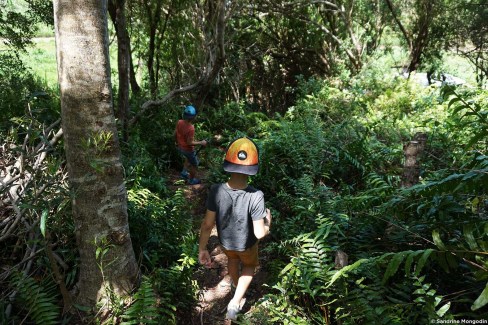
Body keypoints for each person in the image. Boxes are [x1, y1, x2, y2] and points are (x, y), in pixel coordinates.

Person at [198, 137, 272, 320]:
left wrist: (202, 248)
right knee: (248, 265)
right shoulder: (256, 196)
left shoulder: (216, 190)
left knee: (232, 260)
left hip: (226, 243)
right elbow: (259, 233)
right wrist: (268, 223)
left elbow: (207, 224)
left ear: (228, 163)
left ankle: (236, 287)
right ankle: (235, 302)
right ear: (252, 168)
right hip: (247, 245)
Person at [174, 105, 207, 185]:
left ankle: (184, 173)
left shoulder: (179, 122)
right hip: (187, 149)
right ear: (193, 117)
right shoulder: (191, 128)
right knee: (195, 165)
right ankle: (191, 180)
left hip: (180, 147)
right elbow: (189, 143)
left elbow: (175, 133)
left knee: (188, 158)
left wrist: (176, 142)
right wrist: (201, 142)